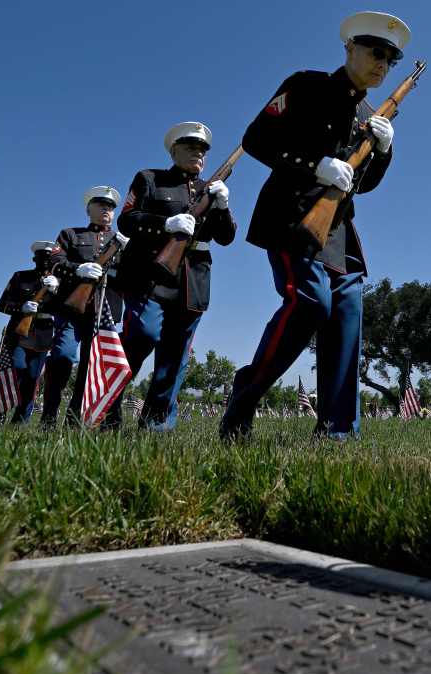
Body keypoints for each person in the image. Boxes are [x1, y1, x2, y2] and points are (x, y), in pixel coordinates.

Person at [219, 11, 410, 440]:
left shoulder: (369, 112)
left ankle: (337, 433)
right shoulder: (306, 85)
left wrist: (383, 149)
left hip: (338, 230)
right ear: (349, 49)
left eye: (391, 60)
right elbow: (256, 139)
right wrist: (314, 165)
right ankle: (245, 395)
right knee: (310, 303)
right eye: (375, 52)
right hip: (292, 217)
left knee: (345, 316)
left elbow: (365, 184)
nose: (382, 63)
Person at [111, 122, 235, 431]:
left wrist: (223, 206)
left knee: (175, 355)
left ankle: (155, 424)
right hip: (149, 273)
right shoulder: (150, 179)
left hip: (192, 281)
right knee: (143, 334)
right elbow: (126, 220)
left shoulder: (210, 188)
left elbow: (226, 237)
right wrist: (165, 223)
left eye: (203, 149)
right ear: (174, 150)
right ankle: (107, 406)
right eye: (191, 146)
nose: (198, 152)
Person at [40, 186, 127, 427]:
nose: (106, 210)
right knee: (62, 356)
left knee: (90, 366)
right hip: (71, 309)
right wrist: (77, 269)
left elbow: (130, 276)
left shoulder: (121, 241)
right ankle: (48, 413)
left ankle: (74, 418)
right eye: (100, 206)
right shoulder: (71, 235)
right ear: (89, 209)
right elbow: (55, 261)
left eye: (110, 207)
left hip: (104, 312)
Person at [0, 241, 60, 422]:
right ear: (34, 259)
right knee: (15, 371)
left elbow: (67, 309)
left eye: (49, 259)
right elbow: (2, 305)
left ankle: (20, 421)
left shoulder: (60, 282)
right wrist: (21, 307)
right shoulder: (20, 277)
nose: (45, 262)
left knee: (32, 380)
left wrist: (57, 291)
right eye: (41, 258)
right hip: (19, 333)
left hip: (43, 335)